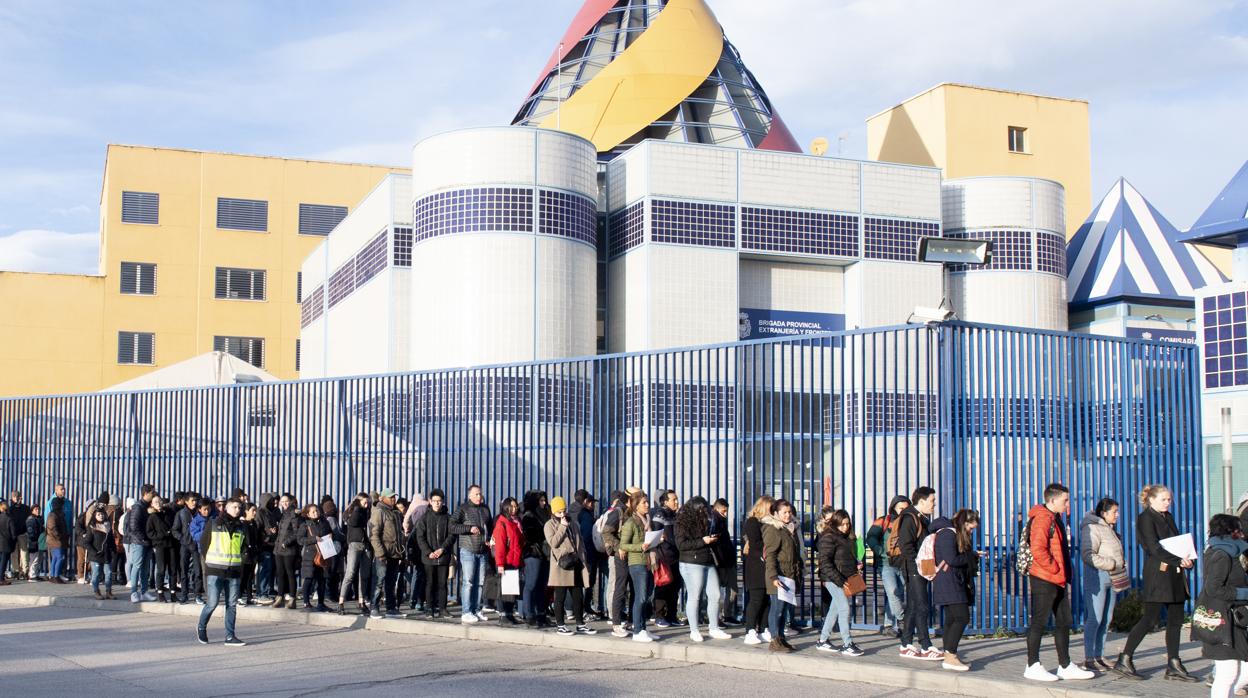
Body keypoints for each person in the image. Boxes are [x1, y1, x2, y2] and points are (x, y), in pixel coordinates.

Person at [1114, 484, 1197, 681]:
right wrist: (1178, 560)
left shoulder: (1167, 516)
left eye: (1169, 499)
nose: (1168, 503)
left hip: (1175, 574)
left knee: (1176, 620)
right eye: (1164, 499)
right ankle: (1125, 658)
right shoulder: (1145, 518)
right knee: (1150, 619)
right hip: (1158, 575)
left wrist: (1188, 559)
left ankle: (1174, 663)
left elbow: (1177, 542)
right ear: (1151, 500)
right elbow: (1152, 547)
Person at [1022, 483, 1092, 682]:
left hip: (1057, 579)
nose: (1067, 504)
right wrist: (1054, 568)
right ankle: (1032, 665)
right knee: (1039, 622)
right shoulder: (1043, 518)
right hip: (1045, 578)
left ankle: (1065, 665)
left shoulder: (1055, 517)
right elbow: (1038, 548)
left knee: (1064, 621)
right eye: (1065, 500)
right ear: (1052, 500)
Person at [1195, 514, 1248, 698]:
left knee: (1239, 671)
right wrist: (1243, 593)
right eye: (1238, 530)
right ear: (1231, 532)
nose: (1242, 534)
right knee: (1228, 673)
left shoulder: (1228, 552)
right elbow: (1213, 588)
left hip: (1234, 619)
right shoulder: (1222, 555)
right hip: (1222, 620)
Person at [894, 487, 942, 661]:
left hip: (921, 567)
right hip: (915, 569)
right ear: (921, 501)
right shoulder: (909, 518)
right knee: (922, 606)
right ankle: (925, 645)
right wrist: (918, 565)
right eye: (932, 501)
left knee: (914, 606)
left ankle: (906, 643)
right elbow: (906, 546)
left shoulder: (922, 518)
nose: (934, 504)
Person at [932, 509, 982, 672]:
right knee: (962, 617)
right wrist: (972, 556)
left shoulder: (951, 533)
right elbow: (951, 559)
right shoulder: (948, 534)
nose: (971, 531)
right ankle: (950, 654)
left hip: (951, 581)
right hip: (949, 582)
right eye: (971, 527)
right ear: (964, 523)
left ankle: (949, 655)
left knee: (952, 619)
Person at [674, 497, 730, 642]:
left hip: (707, 560)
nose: (704, 512)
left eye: (705, 509)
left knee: (716, 595)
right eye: (701, 509)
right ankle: (694, 630)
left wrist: (712, 537)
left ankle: (714, 627)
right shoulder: (682, 523)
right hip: (691, 562)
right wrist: (703, 541)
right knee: (695, 596)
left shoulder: (707, 520)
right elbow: (681, 544)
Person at [197, 497, 250, 647]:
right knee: (212, 603)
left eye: (239, 507)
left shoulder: (241, 527)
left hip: (234, 571)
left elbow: (244, 547)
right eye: (234, 507)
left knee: (231, 604)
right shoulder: (214, 523)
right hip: (215, 570)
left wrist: (241, 561)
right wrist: (210, 563)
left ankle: (230, 636)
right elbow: (203, 544)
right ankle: (201, 626)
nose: (237, 510)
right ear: (225, 508)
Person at [1079, 497, 1125, 671]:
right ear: (1104, 513)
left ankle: (1099, 655)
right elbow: (1087, 554)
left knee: (1106, 619)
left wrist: (1120, 562)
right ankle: (1089, 658)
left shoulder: (1110, 528)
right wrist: (1110, 563)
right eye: (1114, 511)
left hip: (1113, 577)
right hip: (1097, 577)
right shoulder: (1091, 527)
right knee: (1095, 618)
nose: (1117, 515)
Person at [544, 496, 597, 635]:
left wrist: (583, 558)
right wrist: (562, 526)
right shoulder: (549, 525)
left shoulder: (572, 522)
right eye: (559, 512)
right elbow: (553, 542)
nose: (562, 514)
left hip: (576, 564)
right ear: (553, 512)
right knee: (560, 597)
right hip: (561, 565)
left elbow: (579, 541)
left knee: (578, 596)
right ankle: (560, 625)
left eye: (564, 511)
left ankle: (580, 623)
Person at [815, 507, 862, 656]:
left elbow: (845, 558)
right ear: (835, 523)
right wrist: (839, 580)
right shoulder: (828, 537)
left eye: (847, 524)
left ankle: (823, 640)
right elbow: (825, 562)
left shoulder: (845, 537)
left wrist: (854, 569)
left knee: (834, 610)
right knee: (844, 608)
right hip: (833, 579)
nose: (845, 527)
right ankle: (847, 643)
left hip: (843, 578)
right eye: (842, 524)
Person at [866, 496, 910, 635]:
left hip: (904, 563)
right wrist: (880, 551)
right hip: (886, 563)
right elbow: (871, 537)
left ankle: (888, 625)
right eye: (901, 508)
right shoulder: (883, 520)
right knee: (893, 592)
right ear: (894, 508)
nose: (903, 511)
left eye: (906, 508)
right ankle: (902, 619)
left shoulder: (910, 521)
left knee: (898, 594)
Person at [618, 491, 659, 643]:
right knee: (640, 597)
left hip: (648, 562)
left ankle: (643, 628)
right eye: (644, 503)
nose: (647, 505)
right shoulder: (631, 523)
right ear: (636, 506)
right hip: (637, 563)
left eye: (647, 502)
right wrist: (640, 546)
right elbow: (623, 545)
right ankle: (637, 630)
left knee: (646, 596)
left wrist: (657, 539)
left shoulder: (647, 521)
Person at [763, 499, 801, 653]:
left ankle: (781, 639)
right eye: (784, 512)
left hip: (789, 575)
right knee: (777, 609)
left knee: (784, 609)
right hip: (778, 577)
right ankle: (774, 639)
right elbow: (770, 555)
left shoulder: (789, 529)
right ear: (776, 513)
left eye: (789, 512)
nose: (788, 515)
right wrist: (774, 577)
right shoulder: (773, 529)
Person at [450, 484, 492, 624]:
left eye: (480, 493)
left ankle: (475, 609)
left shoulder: (485, 509)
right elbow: (452, 526)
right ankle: (466, 612)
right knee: (468, 582)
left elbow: (490, 527)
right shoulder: (463, 509)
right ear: (469, 495)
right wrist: (469, 528)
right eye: (476, 494)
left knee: (480, 583)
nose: (479, 496)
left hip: (483, 551)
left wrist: (490, 539)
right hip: (468, 550)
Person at [600, 489, 635, 637]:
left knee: (635, 589)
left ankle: (632, 621)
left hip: (634, 555)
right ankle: (616, 622)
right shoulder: (618, 512)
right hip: (620, 556)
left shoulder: (633, 512)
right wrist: (619, 546)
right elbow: (606, 532)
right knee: (619, 588)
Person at [416, 488, 453, 619]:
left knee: (443, 584)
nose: (437, 503)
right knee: (430, 583)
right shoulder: (424, 518)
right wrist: (428, 552)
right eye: (434, 501)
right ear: (430, 502)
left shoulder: (448, 518)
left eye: (439, 501)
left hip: (443, 556)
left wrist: (442, 549)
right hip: (429, 558)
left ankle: (443, 609)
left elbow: (451, 536)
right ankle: (429, 609)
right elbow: (420, 537)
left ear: (443, 502)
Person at [741, 495, 774, 645]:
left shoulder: (770, 523)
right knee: (756, 599)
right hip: (756, 566)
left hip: (766, 567)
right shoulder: (753, 522)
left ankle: (763, 628)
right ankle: (750, 630)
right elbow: (755, 543)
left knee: (767, 600)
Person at [369, 488, 405, 619]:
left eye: (394, 497)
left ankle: (391, 608)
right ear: (382, 498)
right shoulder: (378, 512)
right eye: (390, 497)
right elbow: (374, 534)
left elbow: (400, 534)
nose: (393, 499)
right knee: (379, 581)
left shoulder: (395, 513)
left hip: (394, 553)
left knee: (391, 581)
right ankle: (374, 607)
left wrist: (402, 553)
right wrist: (380, 553)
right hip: (383, 553)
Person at [651, 489, 682, 627]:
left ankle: (672, 616)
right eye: (673, 499)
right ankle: (659, 616)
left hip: (676, 556)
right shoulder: (660, 515)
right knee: (663, 586)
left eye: (676, 499)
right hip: (664, 556)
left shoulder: (675, 515)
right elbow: (655, 535)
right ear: (665, 501)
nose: (676, 502)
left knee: (675, 587)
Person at [338, 493, 372, 615]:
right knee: (350, 573)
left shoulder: (368, 511)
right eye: (365, 502)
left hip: (366, 546)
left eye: (368, 502)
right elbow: (353, 522)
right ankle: (341, 602)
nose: (367, 504)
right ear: (358, 501)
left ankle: (361, 602)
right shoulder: (354, 511)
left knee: (364, 575)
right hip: (354, 545)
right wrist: (357, 507)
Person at [520, 490, 550, 627]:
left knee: (542, 585)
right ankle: (529, 613)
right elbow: (530, 536)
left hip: (545, 553)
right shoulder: (529, 515)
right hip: (533, 553)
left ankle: (541, 613)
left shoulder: (546, 513)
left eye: (544, 500)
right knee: (531, 584)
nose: (544, 503)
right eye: (541, 500)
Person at [492, 497, 523, 625]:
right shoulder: (502, 523)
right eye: (512, 506)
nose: (514, 509)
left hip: (514, 560)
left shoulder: (514, 522)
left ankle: (510, 614)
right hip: (506, 561)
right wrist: (500, 564)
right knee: (504, 589)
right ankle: (503, 614)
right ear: (505, 507)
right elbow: (499, 545)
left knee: (511, 589)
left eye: (516, 506)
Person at [123, 484, 157, 602]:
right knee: (137, 566)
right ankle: (133, 592)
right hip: (139, 542)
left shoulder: (148, 506)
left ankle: (144, 591)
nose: (154, 494)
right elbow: (134, 526)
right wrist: (143, 539)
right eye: (152, 492)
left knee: (145, 568)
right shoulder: (138, 507)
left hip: (147, 542)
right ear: (145, 493)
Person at [298, 504, 331, 612]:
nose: (316, 513)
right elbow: (300, 540)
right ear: (308, 514)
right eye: (313, 512)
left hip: (323, 555)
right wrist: (313, 539)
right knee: (308, 579)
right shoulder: (305, 525)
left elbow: (330, 533)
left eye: (316, 510)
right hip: (310, 556)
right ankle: (306, 603)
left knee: (321, 580)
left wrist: (331, 535)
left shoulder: (324, 522)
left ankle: (321, 603)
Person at [711, 498, 739, 625]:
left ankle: (726, 615)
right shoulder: (714, 520)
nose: (726, 514)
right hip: (721, 561)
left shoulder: (720, 519)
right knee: (717, 592)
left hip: (726, 560)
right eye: (724, 511)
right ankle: (718, 617)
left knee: (731, 590)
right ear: (716, 509)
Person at [576, 493, 604, 619]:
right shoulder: (586, 516)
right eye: (591, 502)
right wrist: (590, 552)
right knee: (588, 582)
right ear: (586, 502)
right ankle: (585, 608)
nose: (593, 505)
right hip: (589, 554)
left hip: (588, 554)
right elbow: (587, 536)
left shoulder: (586, 515)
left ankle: (586, 607)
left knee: (588, 582)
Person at [145, 495, 176, 602]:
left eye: (159, 501)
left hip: (171, 544)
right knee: (161, 569)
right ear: (152, 504)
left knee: (172, 569)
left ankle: (173, 592)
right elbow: (150, 533)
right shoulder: (152, 517)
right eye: (155, 502)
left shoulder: (169, 513)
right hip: (160, 545)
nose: (158, 503)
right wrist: (161, 535)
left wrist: (171, 533)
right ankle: (160, 592)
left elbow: (174, 526)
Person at [171, 493, 200, 604]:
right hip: (185, 545)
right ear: (186, 501)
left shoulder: (199, 513)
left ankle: (198, 594)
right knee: (184, 571)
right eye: (192, 500)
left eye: (195, 500)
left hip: (197, 546)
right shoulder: (181, 514)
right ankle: (184, 595)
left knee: (198, 571)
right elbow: (175, 530)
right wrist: (182, 538)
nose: (194, 503)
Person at [274, 493, 300, 609]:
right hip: (279, 549)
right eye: (282, 501)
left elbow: (296, 532)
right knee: (280, 573)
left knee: (290, 573)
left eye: (286, 501)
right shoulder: (283, 514)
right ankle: (280, 597)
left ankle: (292, 598)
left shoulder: (293, 514)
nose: (284, 503)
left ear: (291, 501)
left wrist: (287, 542)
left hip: (289, 549)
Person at [85, 507, 116, 599]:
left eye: (102, 514)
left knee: (109, 573)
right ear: (95, 516)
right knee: (96, 573)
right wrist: (93, 551)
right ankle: (96, 591)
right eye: (98, 514)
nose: (101, 516)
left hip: (106, 555)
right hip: (96, 555)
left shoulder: (108, 526)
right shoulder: (92, 527)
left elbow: (111, 540)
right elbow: (86, 542)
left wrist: (114, 550)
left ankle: (108, 592)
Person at [254, 493, 278, 603]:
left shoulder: (270, 513)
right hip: (264, 545)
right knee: (264, 570)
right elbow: (258, 529)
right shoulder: (260, 512)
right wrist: (268, 534)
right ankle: (261, 593)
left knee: (269, 570)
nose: (273, 503)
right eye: (270, 501)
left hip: (271, 545)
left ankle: (266, 591)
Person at [8, 491, 30, 581]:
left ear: (21, 497)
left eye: (18, 496)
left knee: (24, 553)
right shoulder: (10, 509)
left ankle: (25, 571)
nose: (16, 498)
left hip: (22, 533)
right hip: (13, 535)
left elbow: (29, 520)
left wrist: (26, 530)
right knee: (14, 554)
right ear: (12, 498)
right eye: (14, 496)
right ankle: (16, 571)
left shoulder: (25, 508)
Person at [46, 496, 68, 584]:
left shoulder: (58, 513)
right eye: (61, 505)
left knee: (55, 558)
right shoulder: (53, 515)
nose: (63, 506)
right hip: (55, 540)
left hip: (56, 540)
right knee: (60, 557)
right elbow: (52, 528)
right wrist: (60, 536)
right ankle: (55, 576)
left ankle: (53, 576)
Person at [26, 505, 44, 581]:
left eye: (39, 509)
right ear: (32, 510)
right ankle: (31, 575)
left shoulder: (39, 519)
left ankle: (36, 574)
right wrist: (35, 538)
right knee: (34, 559)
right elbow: (30, 532)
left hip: (39, 542)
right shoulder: (31, 519)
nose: (38, 511)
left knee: (39, 559)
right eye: (36, 509)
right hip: (33, 542)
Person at [0, 501, 16, 584]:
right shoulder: (9, 518)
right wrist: (14, 540)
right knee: (3, 561)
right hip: (6, 543)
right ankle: (1, 579)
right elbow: (13, 533)